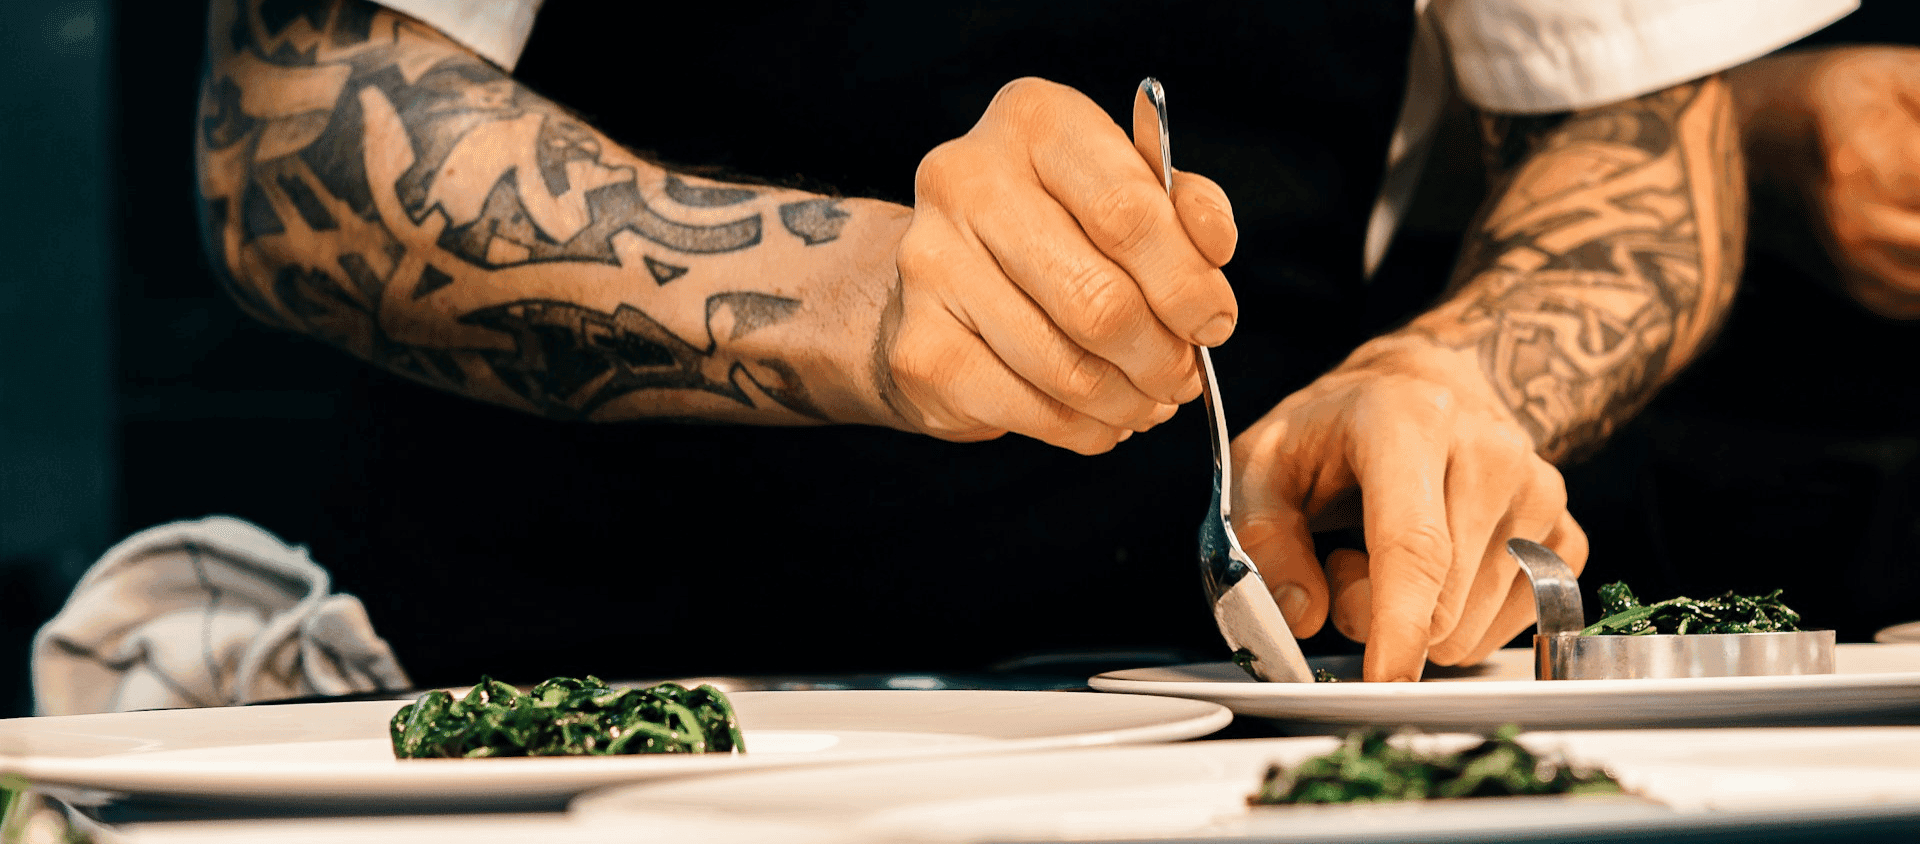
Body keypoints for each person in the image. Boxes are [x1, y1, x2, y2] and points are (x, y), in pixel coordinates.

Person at [191, 0, 1853, 685]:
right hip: (570, 694)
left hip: (1262, 693)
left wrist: (1462, 377)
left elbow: (1632, 113)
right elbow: (295, 127)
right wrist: (851, 294)